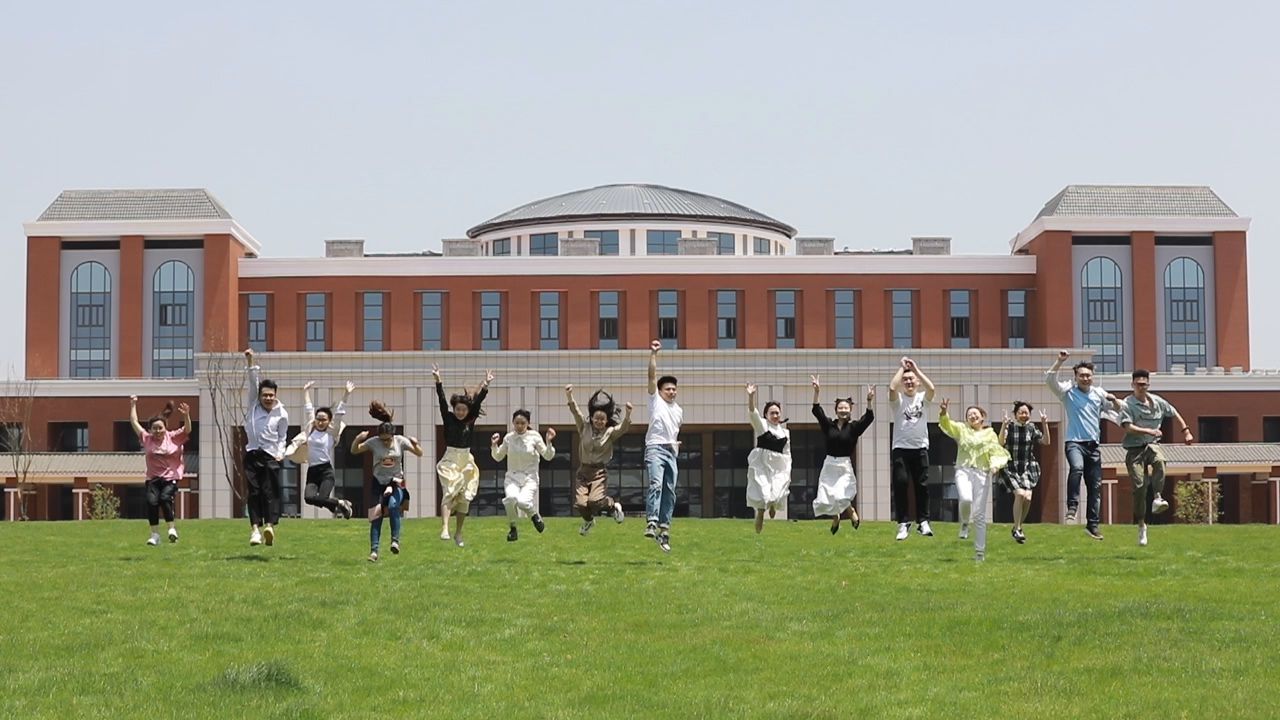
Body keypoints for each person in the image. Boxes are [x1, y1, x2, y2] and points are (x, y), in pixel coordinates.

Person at [1045, 350, 1117, 540]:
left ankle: (1092, 525)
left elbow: (1116, 409)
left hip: (1093, 446)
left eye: (1088, 375)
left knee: (1095, 486)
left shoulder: (1098, 394)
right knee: (1076, 468)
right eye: (1082, 375)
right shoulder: (1068, 393)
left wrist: (1115, 400)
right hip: (1074, 443)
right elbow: (1050, 380)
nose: (1085, 378)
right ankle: (1072, 506)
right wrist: (1059, 361)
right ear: (1076, 377)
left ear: (1092, 377)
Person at [1119, 369, 1194, 547]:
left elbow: (1174, 412)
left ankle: (1158, 496)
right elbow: (1127, 427)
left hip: (1152, 445)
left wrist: (1186, 431)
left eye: (1144, 384)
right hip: (1134, 449)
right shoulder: (1127, 404)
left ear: (1148, 385)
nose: (1141, 387)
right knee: (1139, 487)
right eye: (1138, 384)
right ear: (1132, 385)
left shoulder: (1157, 401)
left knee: (1160, 460)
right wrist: (1149, 430)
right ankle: (1141, 525)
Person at [938, 400, 1010, 562]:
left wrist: (994, 466)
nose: (972, 416)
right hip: (963, 470)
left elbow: (996, 451)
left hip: (982, 474)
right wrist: (943, 412)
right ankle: (964, 523)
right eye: (969, 414)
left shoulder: (990, 434)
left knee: (979, 515)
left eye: (975, 414)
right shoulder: (962, 429)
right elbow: (947, 425)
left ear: (982, 417)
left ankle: (979, 553)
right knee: (965, 498)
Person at [351, 401, 423, 562]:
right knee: (376, 516)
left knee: (392, 506)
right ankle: (374, 551)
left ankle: (395, 541)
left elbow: (419, 453)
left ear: (392, 435)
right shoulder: (373, 442)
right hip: (378, 483)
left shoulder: (400, 441)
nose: (384, 443)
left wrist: (416, 444)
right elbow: (354, 450)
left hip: (396, 481)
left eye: (387, 440)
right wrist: (358, 439)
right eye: (382, 440)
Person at [434, 363, 492, 548]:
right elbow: (442, 401)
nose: (460, 412)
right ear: (454, 409)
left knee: (465, 497)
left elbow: (478, 402)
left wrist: (486, 386)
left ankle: (459, 533)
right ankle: (444, 527)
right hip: (451, 458)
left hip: (466, 459)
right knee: (450, 490)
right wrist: (438, 382)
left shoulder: (470, 420)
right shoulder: (448, 417)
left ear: (468, 411)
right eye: (457, 409)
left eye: (463, 410)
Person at [809, 375, 875, 534]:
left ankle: (850, 512)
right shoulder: (829, 426)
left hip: (844, 465)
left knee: (843, 491)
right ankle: (835, 517)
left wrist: (869, 401)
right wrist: (817, 391)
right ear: (836, 410)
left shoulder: (854, 427)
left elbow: (868, 418)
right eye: (840, 408)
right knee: (828, 493)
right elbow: (817, 411)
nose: (843, 410)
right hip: (830, 464)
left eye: (846, 408)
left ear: (850, 410)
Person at [566, 385, 633, 535]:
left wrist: (628, 414)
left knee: (595, 501)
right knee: (581, 504)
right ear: (592, 418)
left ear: (606, 420)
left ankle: (612, 506)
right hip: (582, 471)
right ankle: (589, 521)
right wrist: (569, 396)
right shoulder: (584, 426)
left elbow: (622, 428)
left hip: (598, 472)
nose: (599, 421)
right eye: (597, 418)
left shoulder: (609, 433)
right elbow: (575, 412)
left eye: (602, 419)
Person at [285, 380, 355, 519]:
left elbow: (340, 414)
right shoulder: (311, 429)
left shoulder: (331, 433)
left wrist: (346, 394)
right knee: (309, 498)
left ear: (329, 421)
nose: (320, 422)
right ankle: (340, 503)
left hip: (326, 471)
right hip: (312, 471)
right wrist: (305, 392)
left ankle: (339, 505)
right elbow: (308, 409)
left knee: (322, 498)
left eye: (324, 419)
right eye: (318, 419)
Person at [130, 396, 191, 546]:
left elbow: (188, 429)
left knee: (164, 498)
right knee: (151, 502)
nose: (158, 431)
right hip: (152, 479)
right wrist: (133, 404)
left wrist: (186, 415)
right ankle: (155, 534)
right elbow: (134, 422)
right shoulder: (147, 438)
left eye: (160, 428)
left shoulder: (173, 437)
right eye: (154, 428)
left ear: (165, 428)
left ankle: (171, 529)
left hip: (170, 478)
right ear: (150, 430)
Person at [242, 349, 288, 547]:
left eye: (271, 395)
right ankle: (254, 530)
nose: (268, 398)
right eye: (264, 395)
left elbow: (282, 436)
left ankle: (269, 526)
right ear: (259, 396)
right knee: (254, 492)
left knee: (270, 492)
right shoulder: (253, 405)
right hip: (252, 455)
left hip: (270, 456)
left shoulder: (282, 414)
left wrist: (280, 453)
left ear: (275, 396)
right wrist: (250, 360)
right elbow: (253, 380)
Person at [888, 357, 936, 541]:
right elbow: (892, 388)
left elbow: (931, 388)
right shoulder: (898, 400)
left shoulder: (923, 398)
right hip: (900, 448)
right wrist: (902, 368)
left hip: (920, 447)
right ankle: (903, 523)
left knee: (922, 485)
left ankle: (923, 521)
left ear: (917, 382)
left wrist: (916, 369)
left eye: (912, 379)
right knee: (900, 484)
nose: (909, 382)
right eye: (905, 380)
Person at [491, 410, 555, 542]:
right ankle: (513, 529)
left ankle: (534, 516)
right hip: (512, 477)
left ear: (528, 423)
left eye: (523, 423)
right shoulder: (509, 438)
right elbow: (498, 456)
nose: (519, 426)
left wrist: (549, 442)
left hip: (529, 478)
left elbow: (548, 456)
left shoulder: (535, 436)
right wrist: (494, 445)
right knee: (511, 499)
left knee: (523, 502)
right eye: (517, 423)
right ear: (513, 423)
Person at [645, 339, 683, 553]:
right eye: (668, 389)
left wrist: (676, 443)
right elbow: (651, 376)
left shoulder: (678, 410)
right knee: (656, 484)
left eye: (674, 389)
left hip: (671, 451)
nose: (672, 392)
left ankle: (664, 529)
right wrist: (653, 354)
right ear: (659, 391)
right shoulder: (655, 401)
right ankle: (651, 521)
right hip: (654, 448)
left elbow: (672, 430)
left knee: (670, 490)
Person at [997, 401, 1051, 544]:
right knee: (1020, 494)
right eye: (1021, 412)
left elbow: (1046, 441)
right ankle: (1018, 528)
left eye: (1026, 412)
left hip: (1027, 467)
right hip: (1010, 467)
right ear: (1015, 414)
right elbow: (1000, 442)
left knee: (1027, 498)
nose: (1024, 415)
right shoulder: (1011, 426)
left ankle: (1017, 528)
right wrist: (1003, 424)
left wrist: (1044, 423)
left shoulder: (1031, 428)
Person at [745, 384, 791, 534]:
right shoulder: (762, 426)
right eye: (772, 413)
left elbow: (787, 452)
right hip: (762, 463)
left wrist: (788, 469)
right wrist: (751, 396)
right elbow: (753, 413)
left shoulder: (785, 432)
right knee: (763, 491)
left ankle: (772, 505)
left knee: (777, 492)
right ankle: (760, 513)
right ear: (766, 415)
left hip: (779, 465)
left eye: (777, 413)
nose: (775, 415)